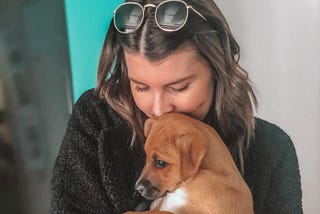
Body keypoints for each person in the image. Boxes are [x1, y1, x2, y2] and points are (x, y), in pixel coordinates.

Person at [50, 0, 303, 213]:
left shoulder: (271, 150)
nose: (159, 110)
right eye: (140, 87)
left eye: (179, 88)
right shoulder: (97, 119)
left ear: (218, 70)